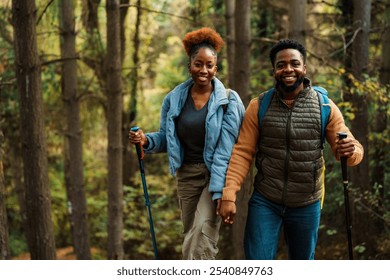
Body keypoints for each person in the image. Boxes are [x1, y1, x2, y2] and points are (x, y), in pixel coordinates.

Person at [218, 39, 364, 260]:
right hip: (266, 200)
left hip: (307, 203)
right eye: (281, 64)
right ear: (274, 70)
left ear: (304, 68)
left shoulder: (324, 106)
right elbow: (242, 152)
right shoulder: (259, 105)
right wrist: (229, 194)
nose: (288, 69)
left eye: (294, 63)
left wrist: (351, 151)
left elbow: (352, 151)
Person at [129, 27, 245, 260]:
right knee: (191, 237)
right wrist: (146, 140)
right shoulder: (174, 99)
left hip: (216, 175)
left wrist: (223, 191)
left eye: (209, 65)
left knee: (201, 239)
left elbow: (226, 151)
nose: (204, 70)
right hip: (186, 177)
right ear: (189, 65)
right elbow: (167, 138)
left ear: (216, 68)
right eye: (198, 64)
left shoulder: (229, 101)